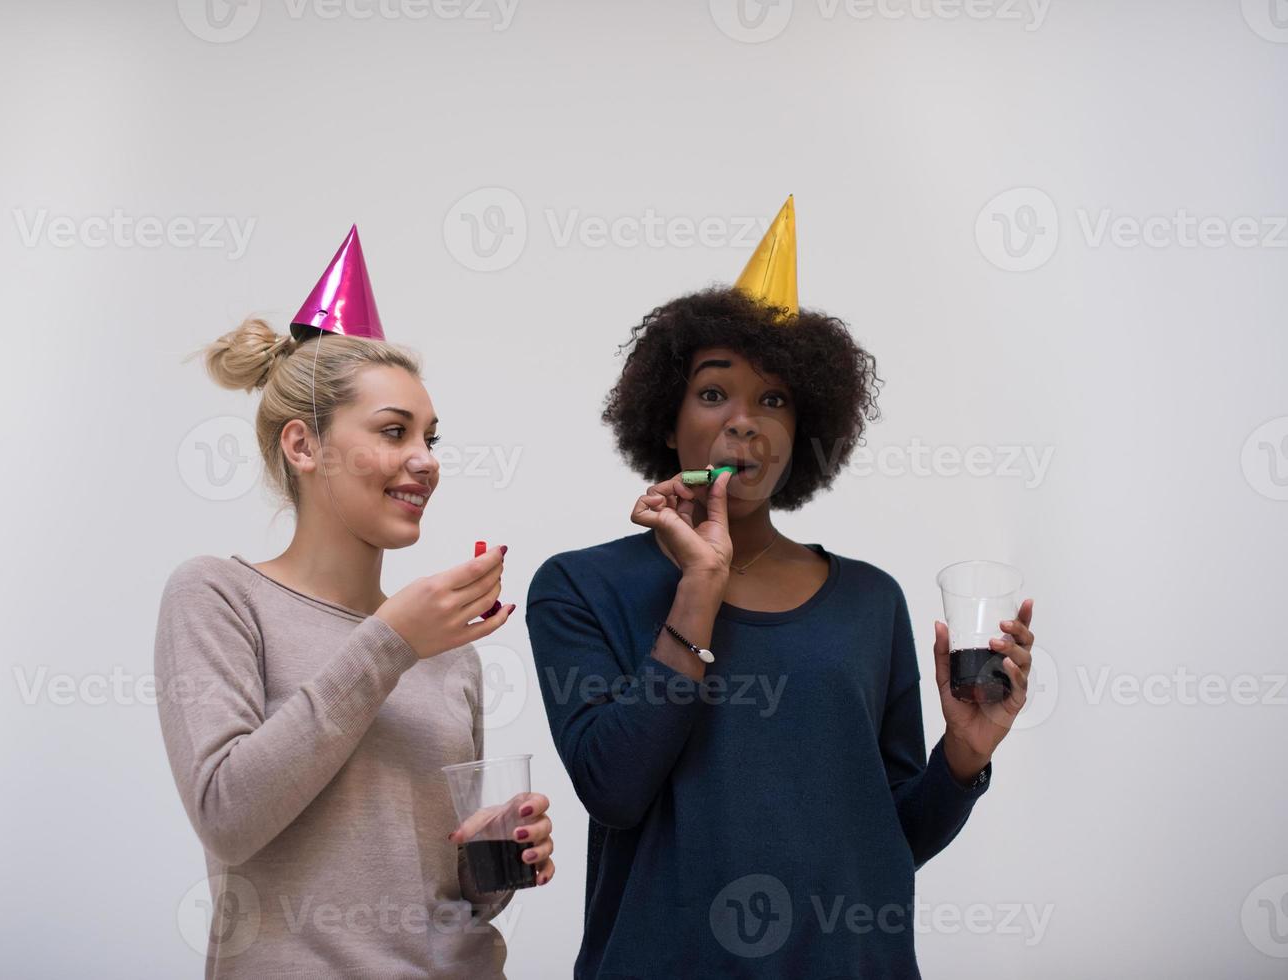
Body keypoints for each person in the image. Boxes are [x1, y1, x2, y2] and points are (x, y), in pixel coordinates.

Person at [526, 198, 1036, 977]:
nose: (744, 424)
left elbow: (887, 844)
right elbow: (614, 790)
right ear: (666, 421)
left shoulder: (869, 601)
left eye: (773, 401)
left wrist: (962, 759)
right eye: (713, 394)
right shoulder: (579, 585)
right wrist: (700, 581)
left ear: (802, 433)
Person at [155, 226, 556, 979]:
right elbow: (227, 816)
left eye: (431, 437)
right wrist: (389, 641)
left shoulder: (446, 646)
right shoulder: (219, 596)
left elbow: (448, 896)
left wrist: (497, 855)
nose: (426, 461)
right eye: (393, 432)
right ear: (303, 447)